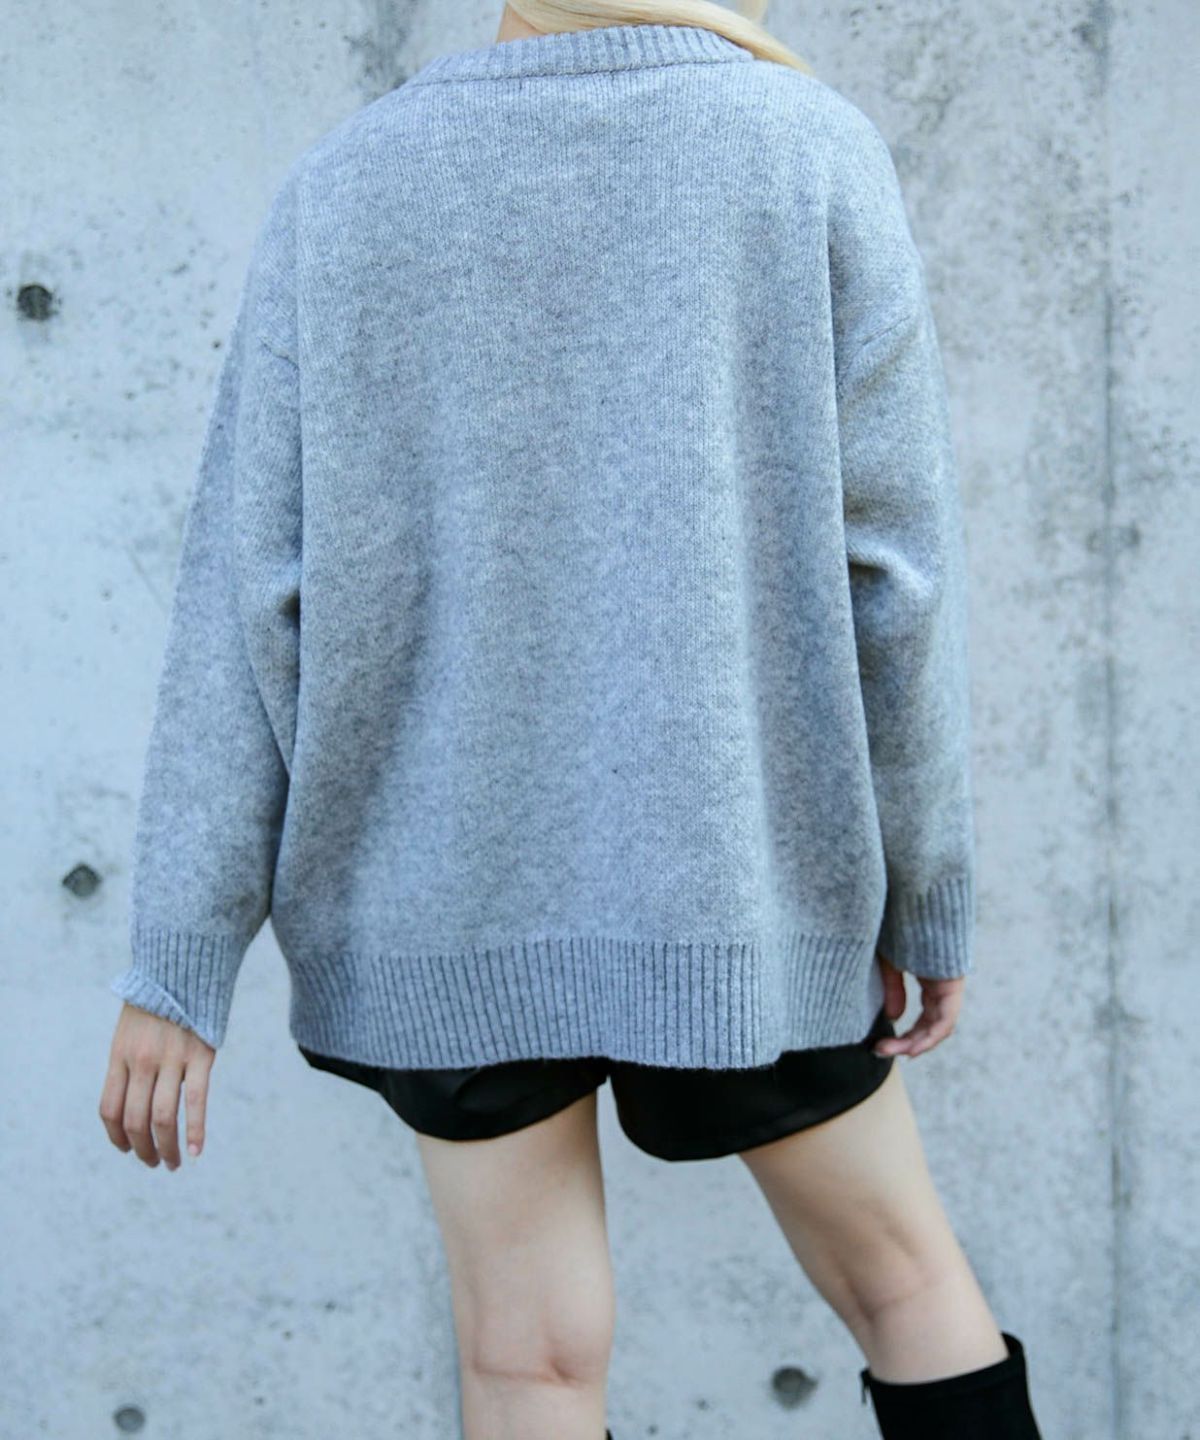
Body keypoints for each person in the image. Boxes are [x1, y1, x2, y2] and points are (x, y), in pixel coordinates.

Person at [98, 3, 1046, 1437]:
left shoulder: (349, 185)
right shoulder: (805, 151)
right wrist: (926, 887)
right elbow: (895, 583)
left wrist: (183, 951)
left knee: (528, 1361)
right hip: (734, 877)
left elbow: (251, 596)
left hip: (447, 893)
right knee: (906, 1288)